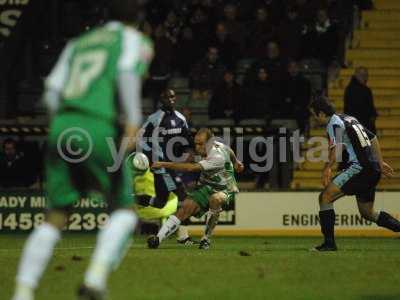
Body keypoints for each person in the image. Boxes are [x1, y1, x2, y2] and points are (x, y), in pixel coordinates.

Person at [11, 1, 153, 299]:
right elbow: (127, 73)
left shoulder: (80, 42)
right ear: (138, 17)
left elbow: (51, 91)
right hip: (98, 125)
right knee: (125, 211)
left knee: (56, 214)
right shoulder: (134, 40)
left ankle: (22, 292)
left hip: (63, 124)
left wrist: (62, 124)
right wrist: (132, 122)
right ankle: (95, 279)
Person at [310, 97, 398, 252]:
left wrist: (327, 168)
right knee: (367, 213)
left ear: (322, 114)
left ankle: (329, 244)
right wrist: (380, 162)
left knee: (325, 197)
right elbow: (373, 137)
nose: (314, 119)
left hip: (360, 169)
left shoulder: (334, 124)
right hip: (372, 170)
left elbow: (337, 149)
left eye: (314, 115)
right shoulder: (348, 118)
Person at [147, 128, 244, 250]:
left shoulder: (217, 157)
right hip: (206, 187)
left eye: (201, 144)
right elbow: (229, 150)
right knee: (185, 208)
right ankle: (157, 239)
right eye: (196, 144)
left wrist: (163, 164)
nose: (197, 147)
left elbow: (191, 168)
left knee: (215, 199)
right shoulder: (218, 145)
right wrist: (237, 162)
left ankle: (206, 239)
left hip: (225, 189)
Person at [139, 88, 195, 245]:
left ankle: (138, 199)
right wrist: (150, 156)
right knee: (184, 198)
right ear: (161, 99)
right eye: (167, 97)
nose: (171, 99)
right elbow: (141, 138)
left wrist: (190, 151)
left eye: (173, 96)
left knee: (160, 202)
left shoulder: (180, 118)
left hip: (176, 165)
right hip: (162, 167)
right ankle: (183, 237)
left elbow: (187, 138)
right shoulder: (155, 118)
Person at [344, 67, 377, 134]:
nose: (364, 78)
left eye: (365, 75)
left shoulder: (352, 89)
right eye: (362, 75)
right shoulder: (354, 90)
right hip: (360, 125)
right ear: (356, 75)